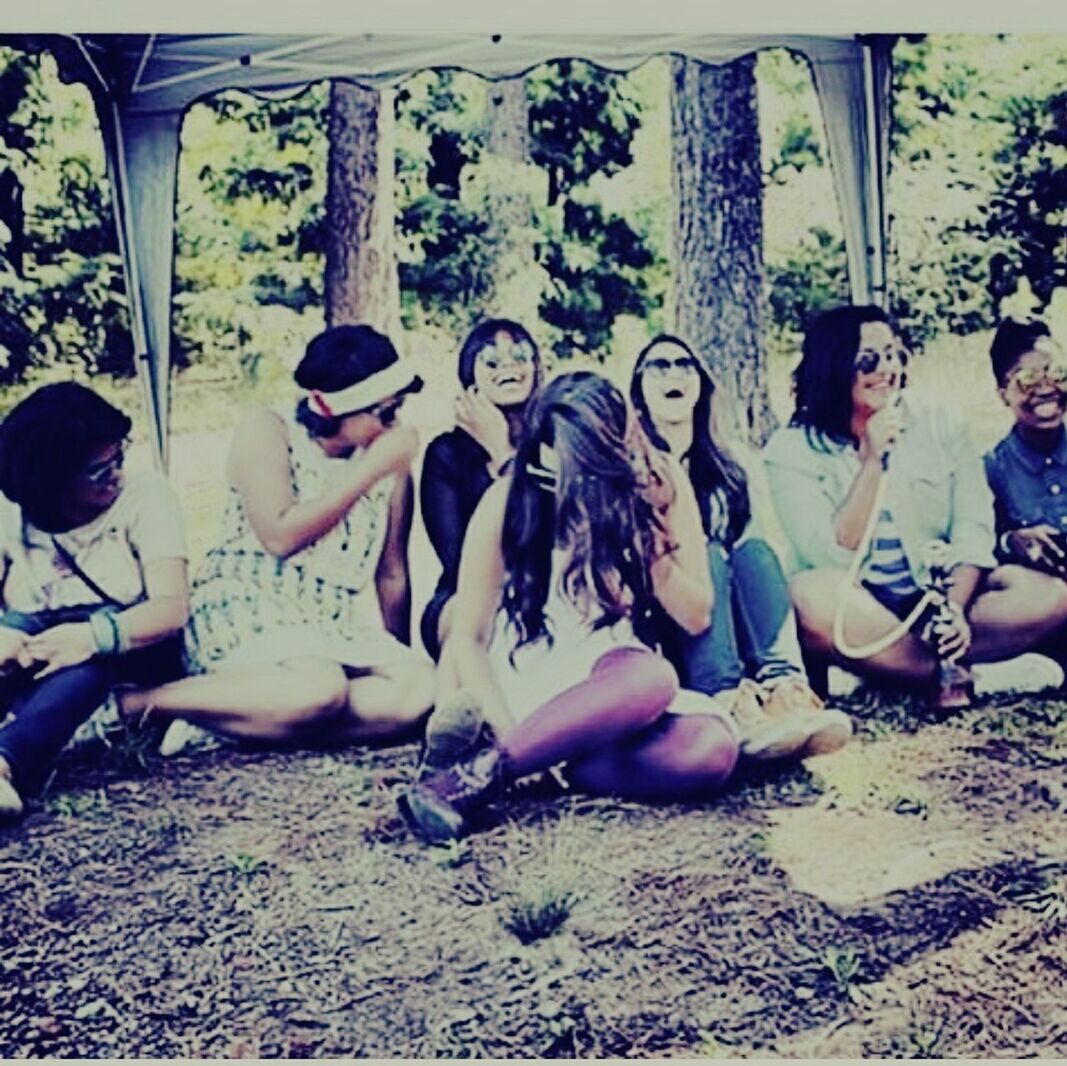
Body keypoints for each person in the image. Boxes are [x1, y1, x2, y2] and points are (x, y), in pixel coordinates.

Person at [399, 371, 742, 843]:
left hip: (617, 685)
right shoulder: (509, 499)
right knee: (653, 676)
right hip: (531, 675)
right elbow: (468, 638)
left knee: (712, 749)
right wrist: (506, 729)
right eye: (562, 471)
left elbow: (696, 615)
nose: (575, 489)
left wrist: (647, 538)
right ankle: (483, 774)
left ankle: (522, 767)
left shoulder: (660, 481)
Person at [120, 325, 435, 749]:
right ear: (336, 411)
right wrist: (372, 468)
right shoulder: (271, 429)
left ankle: (231, 719)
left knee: (418, 691)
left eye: (399, 409)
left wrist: (393, 654)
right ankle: (138, 704)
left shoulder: (389, 469)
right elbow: (280, 536)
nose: (396, 424)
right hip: (250, 600)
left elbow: (391, 573)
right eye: (386, 412)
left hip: (329, 620)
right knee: (319, 690)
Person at [763, 304, 1066, 703]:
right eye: (869, 359)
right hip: (860, 605)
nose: (886, 368)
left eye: (892, 353)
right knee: (805, 594)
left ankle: (879, 668)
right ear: (834, 366)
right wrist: (871, 462)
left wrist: (953, 610)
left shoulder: (941, 423)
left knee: (1049, 594)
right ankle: (966, 677)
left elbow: (973, 527)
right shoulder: (789, 451)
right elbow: (830, 556)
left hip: (940, 597)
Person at [630, 334, 851, 757]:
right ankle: (727, 701)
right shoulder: (632, 466)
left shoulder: (731, 464)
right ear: (638, 389)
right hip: (672, 620)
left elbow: (753, 564)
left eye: (684, 364)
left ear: (701, 385)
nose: (674, 373)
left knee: (757, 551)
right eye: (658, 366)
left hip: (731, 619)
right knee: (709, 554)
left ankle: (786, 691)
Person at [0, 383, 189, 821]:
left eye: (119, 458)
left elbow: (171, 607)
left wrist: (92, 636)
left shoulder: (146, 497)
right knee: (18, 627)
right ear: (49, 483)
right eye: (99, 471)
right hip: (38, 637)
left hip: (129, 643)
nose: (116, 475)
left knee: (84, 662)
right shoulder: (12, 516)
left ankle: (7, 764)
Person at [420, 319, 542, 660]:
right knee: (469, 612)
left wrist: (505, 455)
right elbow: (461, 565)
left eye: (520, 355)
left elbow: (559, 539)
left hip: (550, 593)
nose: (508, 366)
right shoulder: (446, 454)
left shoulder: (557, 441)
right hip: (469, 599)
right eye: (491, 360)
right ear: (469, 377)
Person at [983, 317, 1067, 664]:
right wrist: (1012, 540)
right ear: (1003, 394)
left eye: (1057, 372)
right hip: (1050, 614)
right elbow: (980, 550)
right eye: (1027, 379)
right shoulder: (992, 469)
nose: (1045, 388)